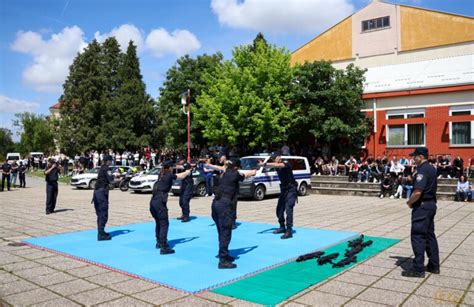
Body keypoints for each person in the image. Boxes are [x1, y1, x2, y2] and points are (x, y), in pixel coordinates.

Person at [208, 158, 256, 268]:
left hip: (216, 204)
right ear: (236, 167)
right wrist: (253, 172)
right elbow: (246, 174)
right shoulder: (234, 174)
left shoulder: (225, 173)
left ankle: (224, 253)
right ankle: (223, 260)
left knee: (222, 231)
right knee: (226, 232)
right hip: (224, 206)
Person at [404, 147, 440, 278]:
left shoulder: (423, 169)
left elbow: (418, 192)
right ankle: (434, 265)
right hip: (431, 205)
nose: (413, 158)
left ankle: (418, 269)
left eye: (415, 156)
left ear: (420, 156)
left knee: (418, 236)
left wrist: (409, 202)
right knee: (430, 235)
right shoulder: (431, 168)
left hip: (422, 207)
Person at [150, 160, 191, 254]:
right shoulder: (168, 175)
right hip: (160, 202)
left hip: (153, 202)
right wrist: (187, 172)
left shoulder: (161, 175)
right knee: (164, 224)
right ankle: (164, 247)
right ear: (169, 168)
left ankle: (159, 242)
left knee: (159, 223)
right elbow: (180, 176)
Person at [261, 152, 298, 239]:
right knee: (279, 210)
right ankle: (282, 227)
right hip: (284, 190)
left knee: (289, 209)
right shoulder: (276, 165)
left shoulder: (286, 163)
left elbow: (278, 165)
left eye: (275, 158)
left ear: (279, 157)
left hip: (291, 190)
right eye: (273, 159)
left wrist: (265, 164)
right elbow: (272, 167)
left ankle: (289, 231)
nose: (274, 160)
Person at [93, 155, 114, 240]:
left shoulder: (102, 168)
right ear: (108, 161)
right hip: (101, 194)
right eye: (111, 160)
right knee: (103, 213)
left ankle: (101, 231)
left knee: (99, 213)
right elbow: (110, 180)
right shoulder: (106, 168)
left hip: (97, 193)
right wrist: (116, 176)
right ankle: (101, 234)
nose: (111, 162)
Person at [176, 157, 194, 223]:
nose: (178, 162)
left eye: (179, 160)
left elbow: (182, 167)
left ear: (183, 160)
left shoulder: (187, 165)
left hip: (188, 185)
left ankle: (186, 216)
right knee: (181, 201)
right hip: (184, 184)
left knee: (185, 201)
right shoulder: (183, 165)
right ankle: (183, 214)